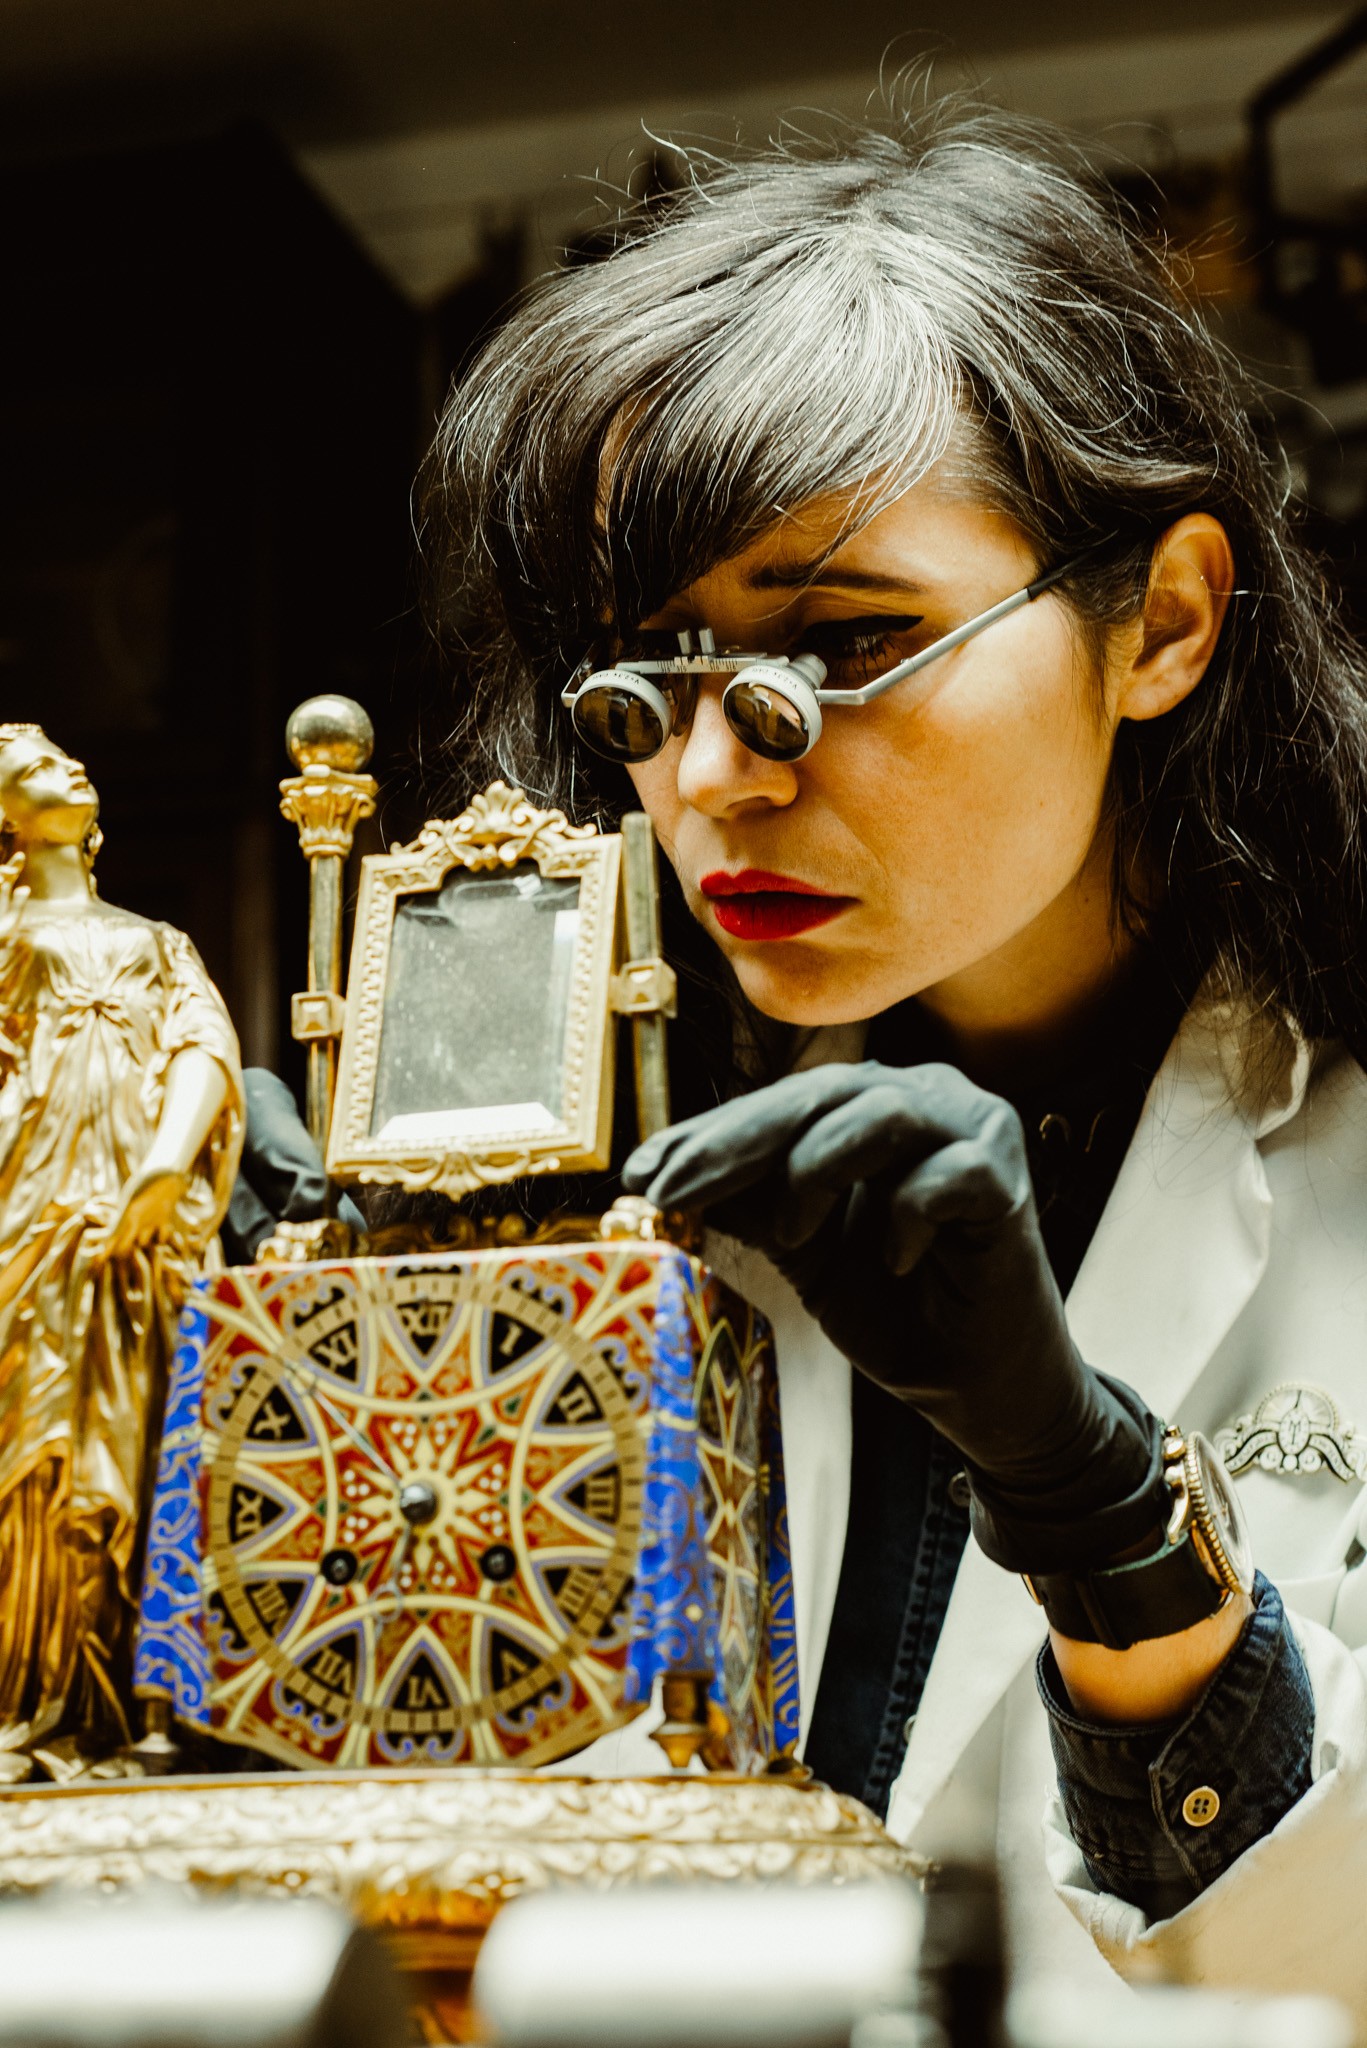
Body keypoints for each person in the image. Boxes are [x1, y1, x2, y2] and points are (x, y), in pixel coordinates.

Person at [248, 100, 1367, 2004]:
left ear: (1161, 622)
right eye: (646, 672)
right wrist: (309, 1436)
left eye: (835, 646)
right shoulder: (612, 1176)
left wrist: (1101, 1509)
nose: (703, 780)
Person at [0, 725, 243, 1781]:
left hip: (136, 1225)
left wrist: (162, 1165)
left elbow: (203, 1043)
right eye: (43, 768)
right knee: (33, 1457)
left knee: (135, 1441)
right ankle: (29, 1693)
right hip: (30, 1215)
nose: (75, 769)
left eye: (72, 759)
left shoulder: (157, 940)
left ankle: (130, 1700)